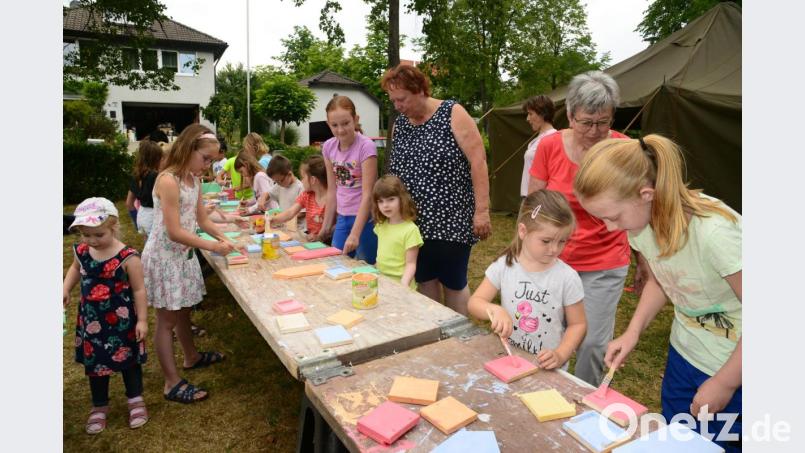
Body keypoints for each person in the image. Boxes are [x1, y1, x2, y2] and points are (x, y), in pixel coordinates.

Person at [575, 134, 742, 452]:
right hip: (685, 356)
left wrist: (725, 382)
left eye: (613, 217)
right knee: (679, 441)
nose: (610, 228)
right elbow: (661, 281)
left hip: (736, 368)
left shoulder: (717, 234)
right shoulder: (641, 225)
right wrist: (633, 331)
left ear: (646, 194)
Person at [526, 70, 630, 386]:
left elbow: (637, 211)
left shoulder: (625, 150)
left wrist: (645, 263)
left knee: (593, 343)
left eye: (603, 122)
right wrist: (527, 249)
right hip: (555, 260)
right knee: (550, 334)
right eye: (586, 122)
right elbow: (534, 203)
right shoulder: (549, 147)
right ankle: (549, 394)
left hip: (605, 260)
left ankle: (585, 401)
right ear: (570, 116)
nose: (595, 131)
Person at [382, 64, 491, 315]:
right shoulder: (401, 125)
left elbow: (478, 162)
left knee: (453, 281)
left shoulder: (452, 113)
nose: (397, 106)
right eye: (393, 100)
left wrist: (482, 210)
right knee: (424, 279)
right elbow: (395, 175)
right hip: (413, 221)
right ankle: (435, 331)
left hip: (452, 220)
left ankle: (459, 333)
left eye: (402, 99)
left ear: (420, 90)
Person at [142, 124, 236, 404]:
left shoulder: (193, 181)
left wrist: (225, 237)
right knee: (167, 321)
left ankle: (191, 356)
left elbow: (201, 220)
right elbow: (174, 231)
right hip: (165, 258)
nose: (207, 166)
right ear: (188, 149)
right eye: (205, 159)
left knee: (183, 311)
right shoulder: (168, 180)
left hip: (182, 257)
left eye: (211, 160)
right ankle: (171, 383)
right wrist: (213, 246)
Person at [467, 190, 587, 369]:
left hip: (547, 367)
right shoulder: (504, 266)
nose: (554, 249)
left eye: (562, 241)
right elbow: (474, 302)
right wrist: (494, 310)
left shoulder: (567, 277)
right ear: (523, 231)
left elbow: (578, 324)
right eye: (546, 241)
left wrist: (561, 354)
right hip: (510, 361)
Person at [62, 198, 149, 434]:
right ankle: (99, 404)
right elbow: (75, 268)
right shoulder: (82, 251)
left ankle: (135, 399)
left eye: (99, 235)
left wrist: (142, 320)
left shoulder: (128, 257)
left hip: (122, 322)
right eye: (86, 235)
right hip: (92, 321)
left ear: (114, 227)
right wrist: (65, 288)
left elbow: (139, 290)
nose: (92, 240)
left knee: (129, 361)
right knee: (96, 362)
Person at [320, 95, 379, 263]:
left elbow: (368, 194)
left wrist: (355, 233)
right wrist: (325, 226)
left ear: (355, 119)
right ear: (328, 124)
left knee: (368, 266)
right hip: (342, 217)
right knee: (335, 264)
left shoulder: (366, 146)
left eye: (346, 123)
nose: (340, 130)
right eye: (334, 125)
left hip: (365, 219)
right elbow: (332, 190)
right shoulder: (328, 147)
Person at [371, 175, 423, 289]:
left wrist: (403, 285)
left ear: (402, 199)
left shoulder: (411, 230)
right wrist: (372, 269)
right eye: (380, 201)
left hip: (400, 284)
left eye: (391, 199)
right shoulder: (380, 226)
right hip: (381, 281)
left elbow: (411, 264)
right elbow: (382, 256)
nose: (385, 205)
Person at [270, 154, 328, 240]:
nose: (301, 181)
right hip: (312, 241)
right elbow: (290, 212)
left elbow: (335, 226)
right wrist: (272, 220)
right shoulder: (306, 195)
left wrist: (319, 236)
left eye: (303, 177)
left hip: (328, 243)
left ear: (313, 180)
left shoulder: (333, 199)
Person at [520, 95, 556, 198]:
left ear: (542, 114)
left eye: (531, 114)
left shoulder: (553, 138)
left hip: (540, 198)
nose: (527, 118)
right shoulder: (538, 139)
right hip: (529, 197)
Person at [126, 140, 163, 236]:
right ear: (156, 158)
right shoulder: (155, 176)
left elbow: (129, 203)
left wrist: (136, 221)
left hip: (142, 214)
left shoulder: (137, 175)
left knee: (147, 243)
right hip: (154, 216)